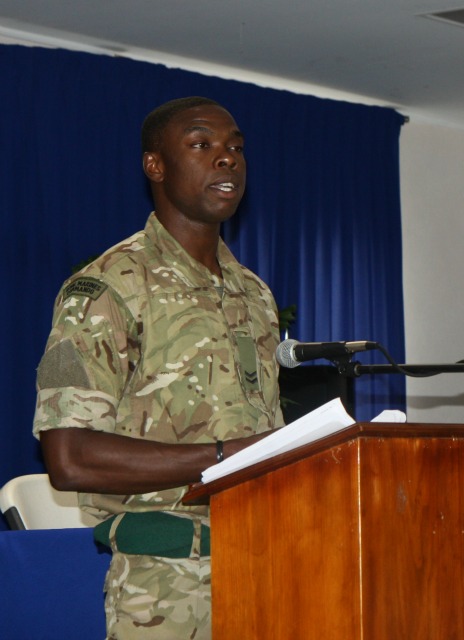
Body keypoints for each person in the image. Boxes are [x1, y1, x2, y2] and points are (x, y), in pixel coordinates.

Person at [32, 96, 285, 640]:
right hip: (168, 589)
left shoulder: (254, 294)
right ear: (156, 166)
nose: (227, 160)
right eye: (202, 145)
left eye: (236, 148)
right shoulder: (102, 289)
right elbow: (69, 457)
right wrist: (225, 458)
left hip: (273, 568)